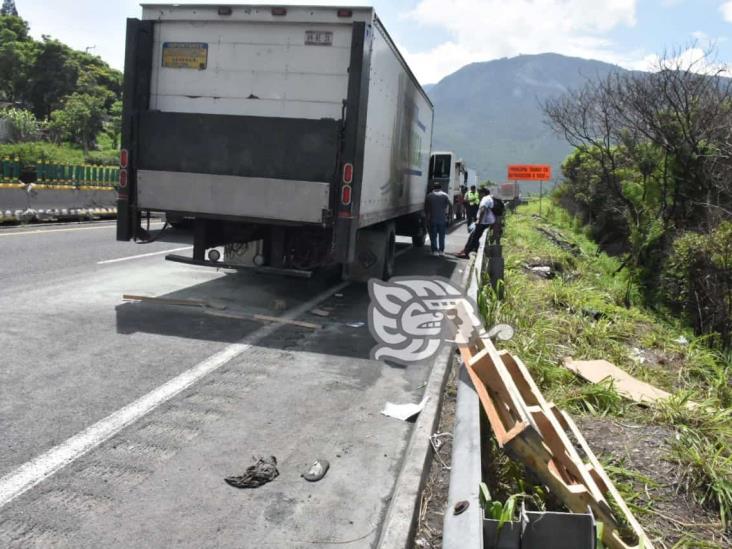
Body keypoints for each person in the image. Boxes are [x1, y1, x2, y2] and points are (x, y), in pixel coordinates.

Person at [454, 187, 495, 258]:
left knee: (473, 238)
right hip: (486, 222)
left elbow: (483, 209)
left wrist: (479, 220)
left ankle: (466, 253)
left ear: (483, 193)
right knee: (474, 236)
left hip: (482, 222)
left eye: (479, 193)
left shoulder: (485, 199)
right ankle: (468, 251)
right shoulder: (489, 198)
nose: (478, 195)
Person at [424, 182, 450, 256]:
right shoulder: (445, 195)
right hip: (442, 219)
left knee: (433, 236)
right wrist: (448, 216)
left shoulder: (429, 196)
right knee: (442, 236)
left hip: (432, 219)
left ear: (433, 188)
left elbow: (426, 209)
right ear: (440, 188)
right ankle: (441, 251)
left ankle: (435, 251)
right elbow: (451, 205)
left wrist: (427, 219)